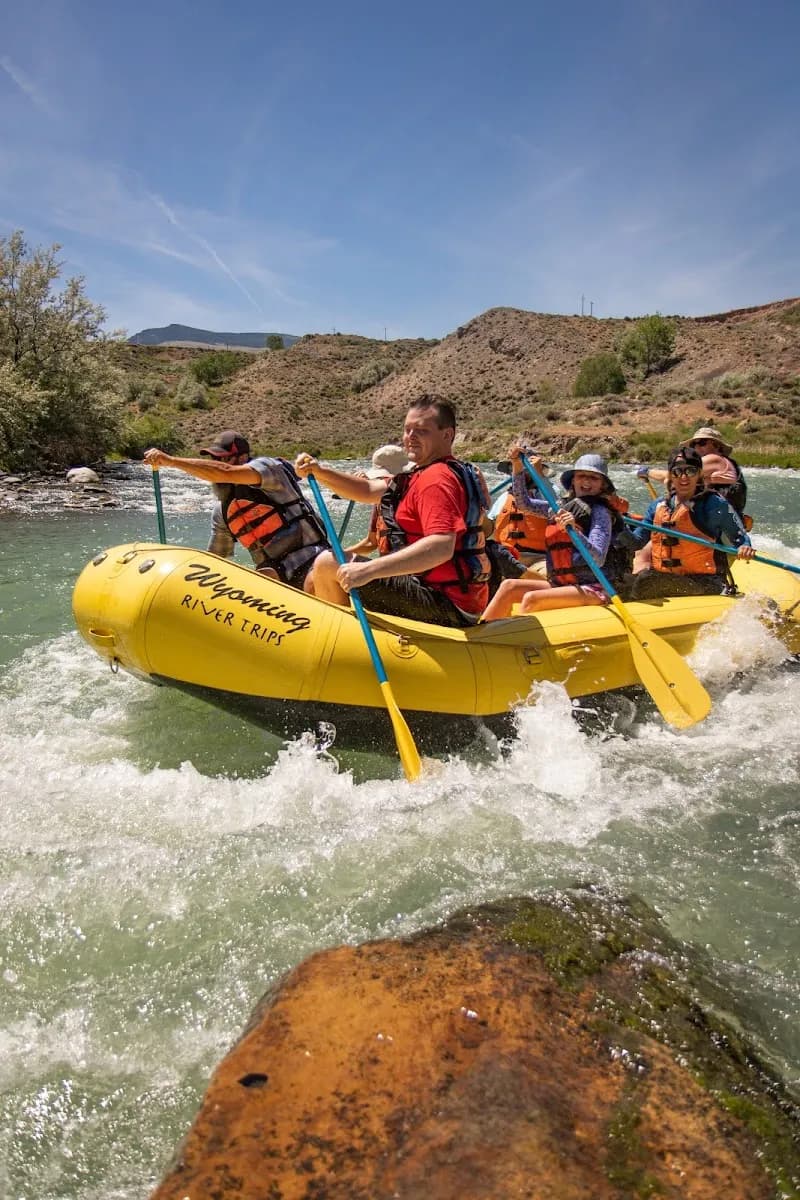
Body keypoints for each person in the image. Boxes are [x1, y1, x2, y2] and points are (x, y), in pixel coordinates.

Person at [294, 397, 490, 626]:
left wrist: (369, 570)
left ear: (447, 435)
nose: (410, 437)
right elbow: (367, 489)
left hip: (445, 603)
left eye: (422, 430)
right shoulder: (423, 474)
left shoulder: (436, 480)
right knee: (320, 574)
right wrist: (319, 472)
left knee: (328, 563)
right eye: (408, 430)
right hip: (454, 596)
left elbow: (441, 547)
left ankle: (338, 642)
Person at [143, 431, 329, 590]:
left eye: (223, 458)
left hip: (313, 559)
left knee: (312, 583)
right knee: (262, 577)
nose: (216, 463)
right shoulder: (222, 512)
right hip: (274, 578)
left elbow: (225, 471)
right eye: (214, 459)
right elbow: (217, 559)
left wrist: (172, 461)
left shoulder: (270, 470)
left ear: (243, 457)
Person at [481, 450, 632, 620]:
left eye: (594, 478)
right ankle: (481, 632)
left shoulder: (600, 512)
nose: (586, 481)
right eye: (581, 476)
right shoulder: (560, 507)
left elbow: (598, 557)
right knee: (509, 586)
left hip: (595, 588)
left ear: (603, 485)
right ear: (573, 480)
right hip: (562, 583)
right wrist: (517, 468)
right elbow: (524, 504)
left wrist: (574, 530)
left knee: (531, 599)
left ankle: (518, 642)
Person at [620, 445, 755, 600]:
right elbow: (636, 543)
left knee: (646, 581)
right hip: (666, 577)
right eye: (678, 471)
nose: (684, 477)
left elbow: (739, 536)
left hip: (705, 582)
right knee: (625, 581)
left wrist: (745, 547)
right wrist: (617, 523)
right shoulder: (658, 506)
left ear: (699, 474)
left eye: (690, 471)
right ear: (671, 475)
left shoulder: (713, 504)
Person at [637, 425, 748, 516]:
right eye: (694, 444)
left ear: (717, 446)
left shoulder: (715, 459)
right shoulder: (720, 464)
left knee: (659, 504)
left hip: (720, 520)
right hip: (715, 516)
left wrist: (646, 472)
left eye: (702, 443)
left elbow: (671, 477)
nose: (696, 447)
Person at [343, 444, 411, 558]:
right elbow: (371, 543)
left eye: (386, 478)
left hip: (406, 569)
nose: (382, 482)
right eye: (379, 479)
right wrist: (339, 555)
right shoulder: (381, 501)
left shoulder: (412, 498)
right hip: (385, 567)